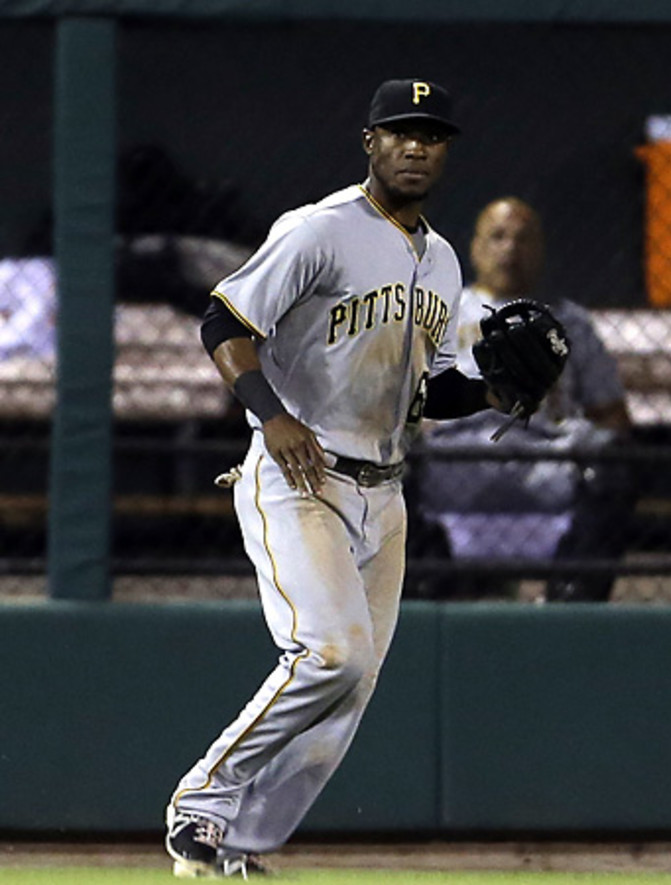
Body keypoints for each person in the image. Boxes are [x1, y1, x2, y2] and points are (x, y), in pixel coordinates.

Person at [164, 78, 514, 878]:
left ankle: (238, 848)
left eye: (431, 134)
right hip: (301, 472)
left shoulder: (445, 263)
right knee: (330, 655)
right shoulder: (318, 230)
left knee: (349, 692)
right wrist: (271, 413)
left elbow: (429, 390)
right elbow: (223, 319)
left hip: (385, 491)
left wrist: (493, 389)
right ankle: (200, 806)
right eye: (400, 131)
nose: (416, 146)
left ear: (447, 149)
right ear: (371, 142)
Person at [410, 197, 635, 602]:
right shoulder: (439, 316)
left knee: (614, 469)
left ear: (541, 250)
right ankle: (427, 597)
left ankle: (570, 603)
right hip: (454, 470)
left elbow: (613, 417)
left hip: (545, 472)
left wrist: (588, 437)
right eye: (497, 237)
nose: (510, 249)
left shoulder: (570, 322)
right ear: (475, 248)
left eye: (523, 239)